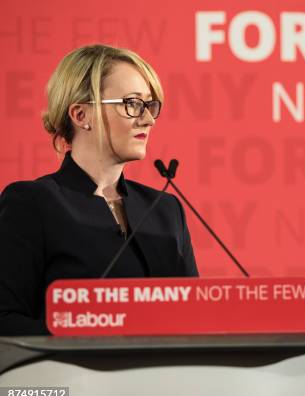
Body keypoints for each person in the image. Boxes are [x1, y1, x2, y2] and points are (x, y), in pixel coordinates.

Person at [0, 45, 199, 335]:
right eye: (132, 103)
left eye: (150, 105)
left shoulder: (166, 210)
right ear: (81, 115)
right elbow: (4, 320)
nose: (148, 119)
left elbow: (196, 320)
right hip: (70, 377)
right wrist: (84, 340)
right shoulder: (32, 204)